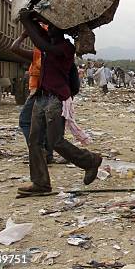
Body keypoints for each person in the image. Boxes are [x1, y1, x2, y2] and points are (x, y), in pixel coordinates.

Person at [17, 11, 102, 196]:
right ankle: (41, 184)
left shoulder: (65, 47)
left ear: (61, 30)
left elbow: (41, 42)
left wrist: (27, 21)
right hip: (42, 97)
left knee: (56, 141)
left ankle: (90, 161)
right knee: (34, 141)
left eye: (53, 26)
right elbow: (39, 35)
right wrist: (30, 19)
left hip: (56, 99)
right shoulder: (52, 42)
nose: (49, 28)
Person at [10, 30, 54, 164]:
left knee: (25, 121)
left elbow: (14, 48)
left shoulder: (40, 54)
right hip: (49, 93)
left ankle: (38, 152)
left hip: (39, 93)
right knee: (44, 124)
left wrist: (24, 35)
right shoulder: (55, 52)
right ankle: (46, 154)